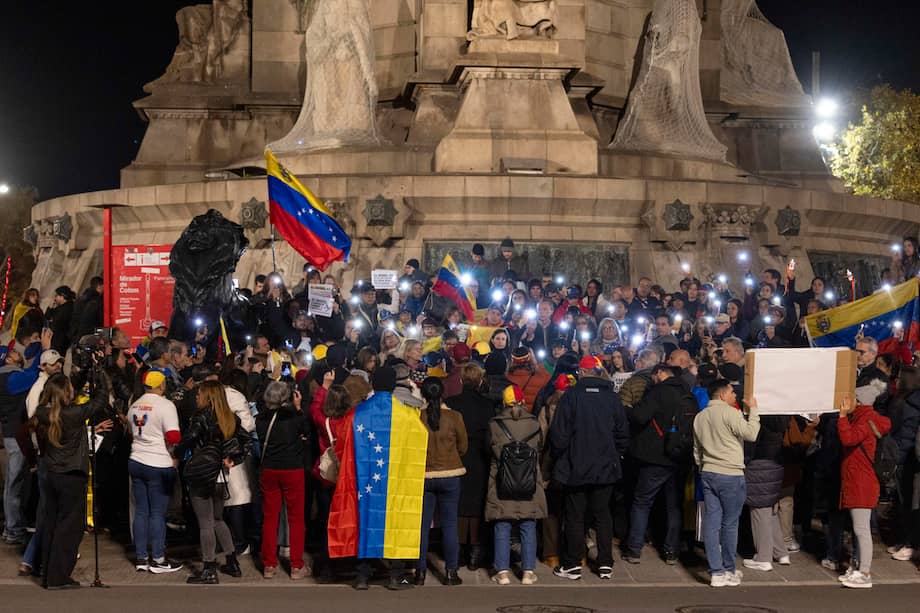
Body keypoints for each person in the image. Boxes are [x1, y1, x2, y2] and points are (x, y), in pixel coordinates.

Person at [551, 355, 630, 580]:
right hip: (605, 466)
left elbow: (559, 435)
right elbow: (622, 432)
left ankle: (572, 563)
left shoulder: (571, 396)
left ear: (583, 372)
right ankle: (605, 563)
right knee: (603, 515)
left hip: (576, 465)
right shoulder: (611, 397)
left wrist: (562, 457)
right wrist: (616, 455)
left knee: (575, 516)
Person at [34, 372, 111, 589]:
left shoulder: (42, 412)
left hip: (52, 474)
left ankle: (48, 573)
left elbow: (67, 392)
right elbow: (100, 401)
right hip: (71, 475)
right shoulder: (73, 414)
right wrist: (100, 375)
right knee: (69, 528)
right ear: (66, 393)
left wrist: (85, 372)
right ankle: (58, 577)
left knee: (52, 523)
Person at [173, 381, 248, 584]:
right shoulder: (230, 417)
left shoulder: (201, 417)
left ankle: (209, 569)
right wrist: (234, 458)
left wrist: (176, 452)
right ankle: (232, 562)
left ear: (208, 397)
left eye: (199, 394)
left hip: (203, 474)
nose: (197, 397)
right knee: (218, 519)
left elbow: (188, 439)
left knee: (205, 523)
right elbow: (246, 441)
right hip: (221, 475)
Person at [622, 364, 694, 565]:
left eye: (654, 376)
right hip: (680, 456)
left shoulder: (658, 391)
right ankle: (671, 551)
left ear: (660, 373)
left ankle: (634, 549)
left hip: (656, 456)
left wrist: (627, 410)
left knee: (642, 502)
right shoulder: (687, 392)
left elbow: (640, 416)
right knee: (674, 505)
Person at [693, 379, 760, 587]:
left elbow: (697, 450)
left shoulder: (700, 416)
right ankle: (729, 569)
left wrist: (703, 467)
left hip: (708, 472)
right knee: (730, 524)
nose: (735, 395)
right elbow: (751, 434)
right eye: (732, 392)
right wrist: (754, 411)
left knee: (712, 524)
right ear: (722, 395)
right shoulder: (731, 413)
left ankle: (716, 572)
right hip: (731, 473)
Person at [487, 385, 546, 586]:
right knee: (528, 524)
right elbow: (540, 447)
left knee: (502, 523)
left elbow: (488, 449)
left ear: (504, 402)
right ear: (523, 402)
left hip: (502, 480)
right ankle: (528, 572)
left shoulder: (495, 424)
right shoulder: (534, 423)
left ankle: (502, 573)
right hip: (529, 480)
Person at [127, 370, 184, 574]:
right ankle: (158, 559)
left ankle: (141, 558)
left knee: (141, 511)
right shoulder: (165, 405)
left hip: (136, 460)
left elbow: (131, 431)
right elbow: (174, 436)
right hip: (158, 463)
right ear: (161, 386)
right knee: (158, 513)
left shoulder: (134, 404)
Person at [837, 385, 892, 589]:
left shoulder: (866, 420)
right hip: (859, 481)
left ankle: (865, 573)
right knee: (857, 528)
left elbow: (848, 438)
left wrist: (842, 417)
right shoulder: (864, 418)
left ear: (859, 402)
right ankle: (857, 566)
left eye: (851, 399)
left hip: (862, 482)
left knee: (861, 529)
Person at [415, 377, 468, 585]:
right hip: (450, 473)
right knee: (450, 524)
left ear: (423, 394)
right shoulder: (455, 417)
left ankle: (419, 573)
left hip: (425, 475)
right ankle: (451, 572)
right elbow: (463, 447)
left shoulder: (417, 416)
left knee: (421, 527)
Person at [0, 328, 50, 545]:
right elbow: (32, 374)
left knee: (16, 483)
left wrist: (38, 345)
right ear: (7, 359)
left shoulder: (10, 376)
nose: (17, 352)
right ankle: (13, 530)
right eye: (13, 352)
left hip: (12, 435)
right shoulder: (9, 378)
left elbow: (29, 366)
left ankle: (11, 528)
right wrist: (45, 349)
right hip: (15, 438)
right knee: (14, 484)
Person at [256, 381, 311, 579]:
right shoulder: (294, 417)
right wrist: (298, 407)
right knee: (296, 518)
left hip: (269, 469)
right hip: (292, 469)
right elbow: (307, 432)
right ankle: (296, 565)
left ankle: (269, 564)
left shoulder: (260, 419)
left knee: (270, 517)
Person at [44, 287, 76, 355]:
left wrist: (51, 323)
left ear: (62, 296)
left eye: (56, 296)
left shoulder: (67, 308)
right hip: (57, 340)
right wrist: (50, 308)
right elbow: (47, 317)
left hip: (60, 342)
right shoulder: (61, 307)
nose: (55, 298)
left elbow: (56, 324)